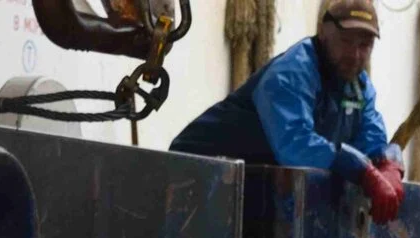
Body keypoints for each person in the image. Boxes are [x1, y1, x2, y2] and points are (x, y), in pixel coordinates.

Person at [172, 0, 406, 223]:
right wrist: (363, 170)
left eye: (364, 45)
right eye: (345, 41)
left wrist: (390, 163)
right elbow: (295, 145)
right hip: (195, 176)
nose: (355, 55)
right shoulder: (292, 73)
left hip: (255, 186)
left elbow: (371, 139)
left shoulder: (358, 86)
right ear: (324, 32)